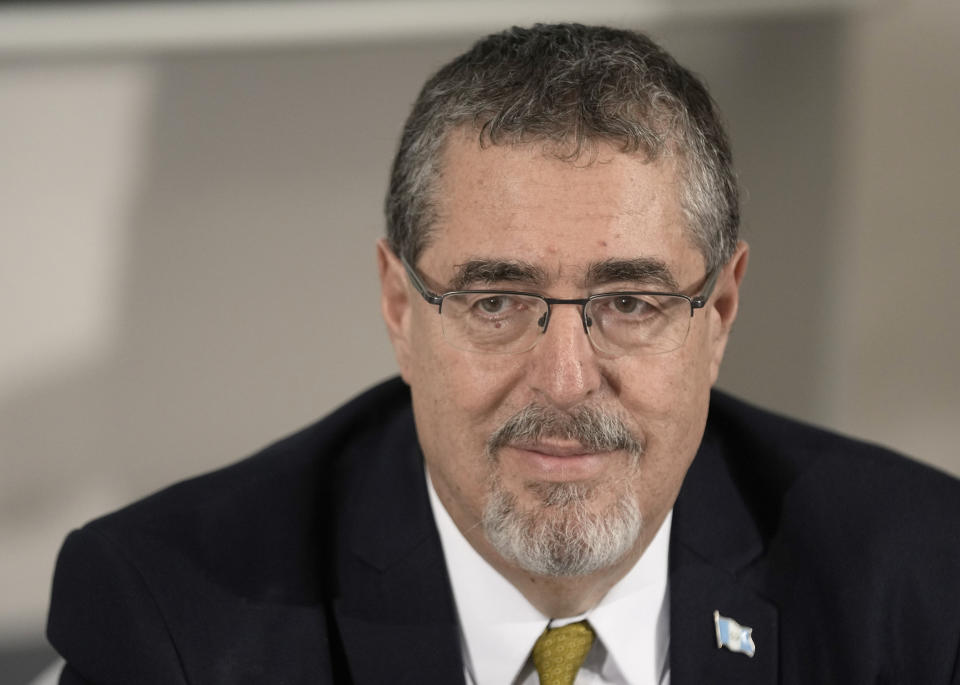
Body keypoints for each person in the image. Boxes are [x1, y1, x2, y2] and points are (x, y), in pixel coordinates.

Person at [47, 23, 960, 685]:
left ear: (717, 311)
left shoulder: (917, 578)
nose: (564, 378)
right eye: (495, 299)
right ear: (401, 307)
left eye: (632, 301)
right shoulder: (172, 619)